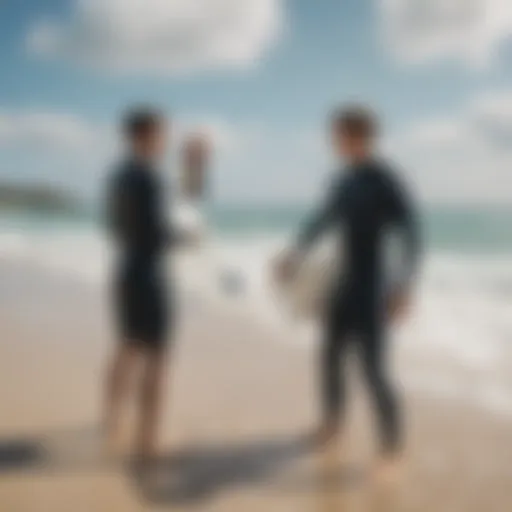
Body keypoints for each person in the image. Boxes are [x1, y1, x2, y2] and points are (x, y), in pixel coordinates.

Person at [275, 105, 421, 479]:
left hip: (372, 286)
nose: (332, 142)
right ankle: (332, 424)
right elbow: (322, 219)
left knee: (373, 369)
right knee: (329, 358)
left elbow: (411, 235)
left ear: (358, 136)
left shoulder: (385, 180)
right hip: (341, 284)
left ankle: (392, 448)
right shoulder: (343, 180)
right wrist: (295, 253)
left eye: (337, 135)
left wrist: (403, 286)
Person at [104, 107, 175, 460]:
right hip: (148, 275)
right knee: (157, 357)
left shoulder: (117, 177)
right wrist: (182, 237)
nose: (164, 140)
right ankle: (147, 442)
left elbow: (114, 228)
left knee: (127, 347)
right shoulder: (148, 178)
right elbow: (157, 233)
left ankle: (111, 419)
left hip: (125, 270)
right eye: (160, 133)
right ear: (143, 136)